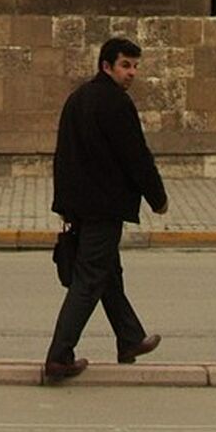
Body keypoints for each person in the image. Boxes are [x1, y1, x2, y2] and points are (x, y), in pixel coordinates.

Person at [43, 36, 167, 382]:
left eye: (135, 66)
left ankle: (129, 339)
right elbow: (136, 156)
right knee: (89, 280)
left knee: (108, 274)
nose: (132, 73)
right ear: (106, 66)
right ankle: (59, 357)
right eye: (126, 66)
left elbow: (62, 157)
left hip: (79, 206)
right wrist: (157, 198)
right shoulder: (115, 103)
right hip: (103, 207)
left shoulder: (77, 99)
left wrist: (64, 206)